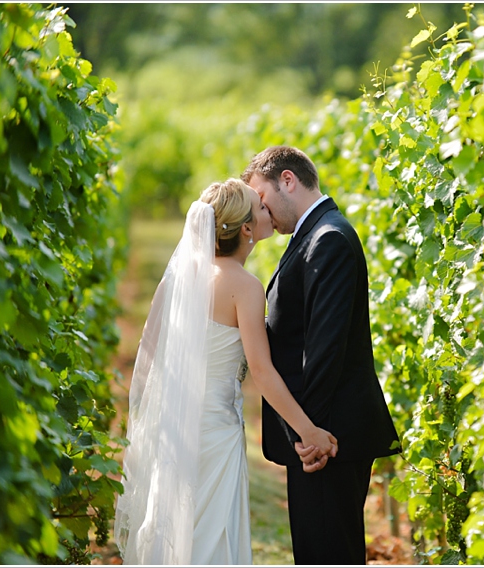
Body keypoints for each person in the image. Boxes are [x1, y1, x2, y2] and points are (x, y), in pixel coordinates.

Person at [114, 179, 338, 565]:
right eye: (261, 207)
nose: (269, 208)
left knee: (177, 533)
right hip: (216, 430)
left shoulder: (177, 281)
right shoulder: (245, 288)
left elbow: (147, 356)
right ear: (247, 229)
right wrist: (309, 431)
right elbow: (263, 373)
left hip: (175, 429)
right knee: (212, 537)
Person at [242, 146, 401, 564]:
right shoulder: (313, 235)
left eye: (262, 199)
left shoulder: (327, 239)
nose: (261, 213)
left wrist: (307, 436)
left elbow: (324, 350)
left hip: (328, 438)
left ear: (288, 180)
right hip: (320, 435)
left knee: (329, 554)